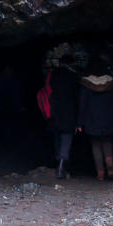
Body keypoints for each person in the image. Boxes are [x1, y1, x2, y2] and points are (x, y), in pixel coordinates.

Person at [77, 72, 113, 180]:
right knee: (107, 142)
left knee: (96, 145)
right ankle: (110, 166)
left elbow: (82, 106)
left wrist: (79, 123)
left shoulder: (86, 86)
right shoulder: (111, 85)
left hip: (92, 120)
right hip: (109, 120)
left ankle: (100, 172)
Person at [46, 47, 80, 180]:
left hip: (54, 112)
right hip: (69, 113)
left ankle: (58, 164)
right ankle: (61, 166)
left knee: (57, 139)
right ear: (71, 63)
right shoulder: (73, 77)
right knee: (66, 139)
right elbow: (76, 97)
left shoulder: (53, 76)